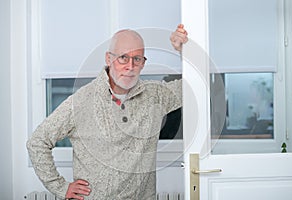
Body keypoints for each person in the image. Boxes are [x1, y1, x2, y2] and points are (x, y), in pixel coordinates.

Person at [27, 24, 188, 200]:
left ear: (143, 63)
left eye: (137, 59)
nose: (130, 66)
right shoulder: (82, 100)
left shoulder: (155, 95)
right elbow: (37, 141)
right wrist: (59, 186)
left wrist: (184, 51)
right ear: (108, 59)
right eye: (123, 58)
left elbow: (193, 87)